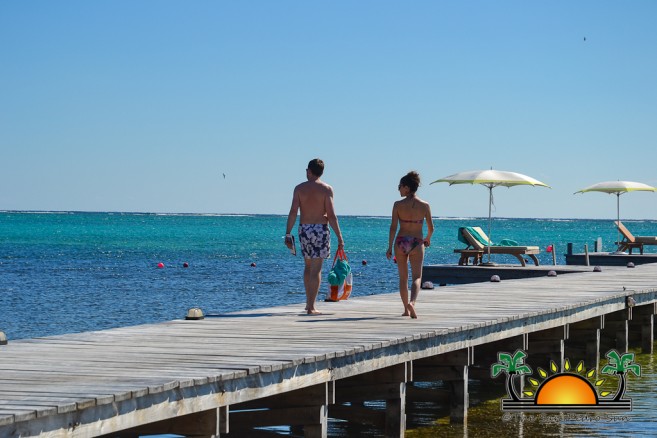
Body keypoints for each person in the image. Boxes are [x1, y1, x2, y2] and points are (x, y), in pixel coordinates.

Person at [285, 158, 345, 315]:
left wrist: (287, 232)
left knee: (308, 266)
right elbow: (331, 215)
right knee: (316, 269)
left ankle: (308, 303)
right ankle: (311, 307)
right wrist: (339, 236)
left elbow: (293, 212)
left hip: (304, 229)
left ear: (309, 171)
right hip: (320, 230)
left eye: (306, 170)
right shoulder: (326, 189)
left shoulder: (299, 188)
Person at [386, 171, 434, 319]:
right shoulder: (424, 205)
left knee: (403, 278)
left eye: (400, 186)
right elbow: (431, 227)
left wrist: (389, 247)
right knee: (417, 277)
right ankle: (412, 302)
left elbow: (393, 227)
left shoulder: (397, 205)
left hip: (401, 241)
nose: (398, 189)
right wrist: (427, 238)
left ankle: (405, 309)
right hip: (416, 242)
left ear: (406, 188)